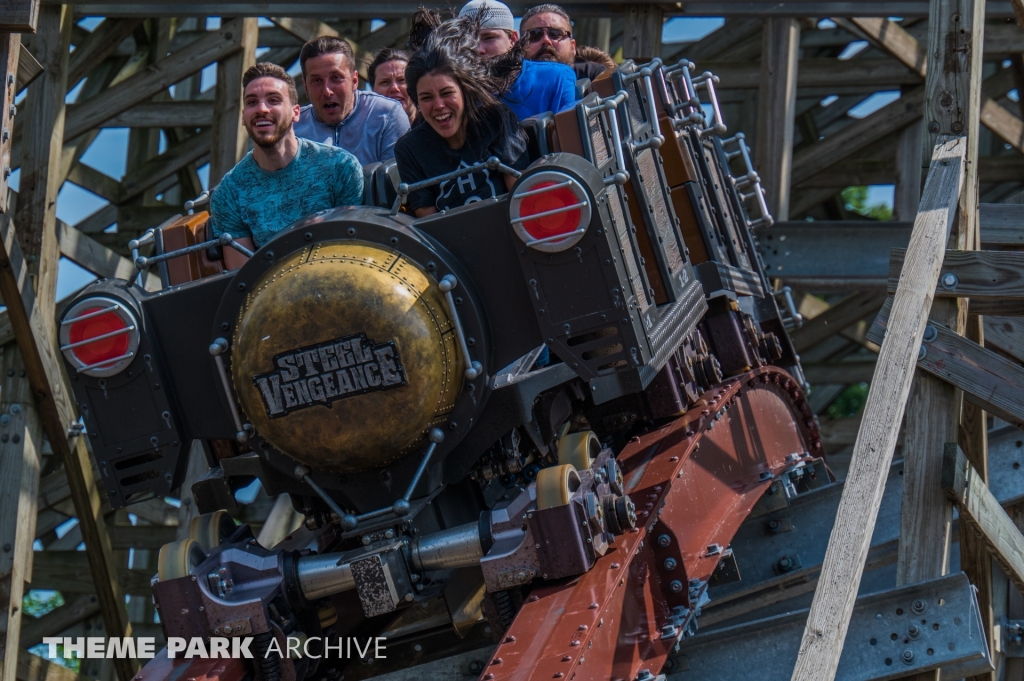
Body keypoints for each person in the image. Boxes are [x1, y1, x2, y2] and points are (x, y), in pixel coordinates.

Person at [211, 63, 363, 269]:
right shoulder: (229, 194)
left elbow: (353, 254)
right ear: (243, 117)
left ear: (296, 112)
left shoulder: (341, 167)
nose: (262, 109)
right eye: (252, 102)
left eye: (273, 100)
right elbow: (245, 282)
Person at [394, 16, 530, 217]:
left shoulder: (495, 118)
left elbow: (522, 199)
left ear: (465, 91)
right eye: (426, 97)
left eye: (447, 93)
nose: (439, 105)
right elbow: (429, 223)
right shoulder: (409, 149)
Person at [293, 36, 411, 165]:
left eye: (336, 78)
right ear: (305, 87)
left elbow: (395, 181)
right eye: (316, 81)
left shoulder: (387, 115)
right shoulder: (293, 129)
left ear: (354, 81)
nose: (327, 91)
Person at [458, 0, 576, 121]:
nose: (479, 49)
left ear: (513, 39)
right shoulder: (453, 88)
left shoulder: (555, 78)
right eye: (469, 40)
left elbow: (568, 136)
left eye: (489, 38)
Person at [520, 4, 614, 80]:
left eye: (555, 33)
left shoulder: (593, 75)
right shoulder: (508, 84)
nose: (546, 40)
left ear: (572, 47)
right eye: (534, 34)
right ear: (520, 47)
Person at [367, 48, 417, 125]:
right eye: (385, 82)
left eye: (401, 80)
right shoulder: (361, 134)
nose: (394, 88)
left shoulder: (436, 130)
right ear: (373, 91)